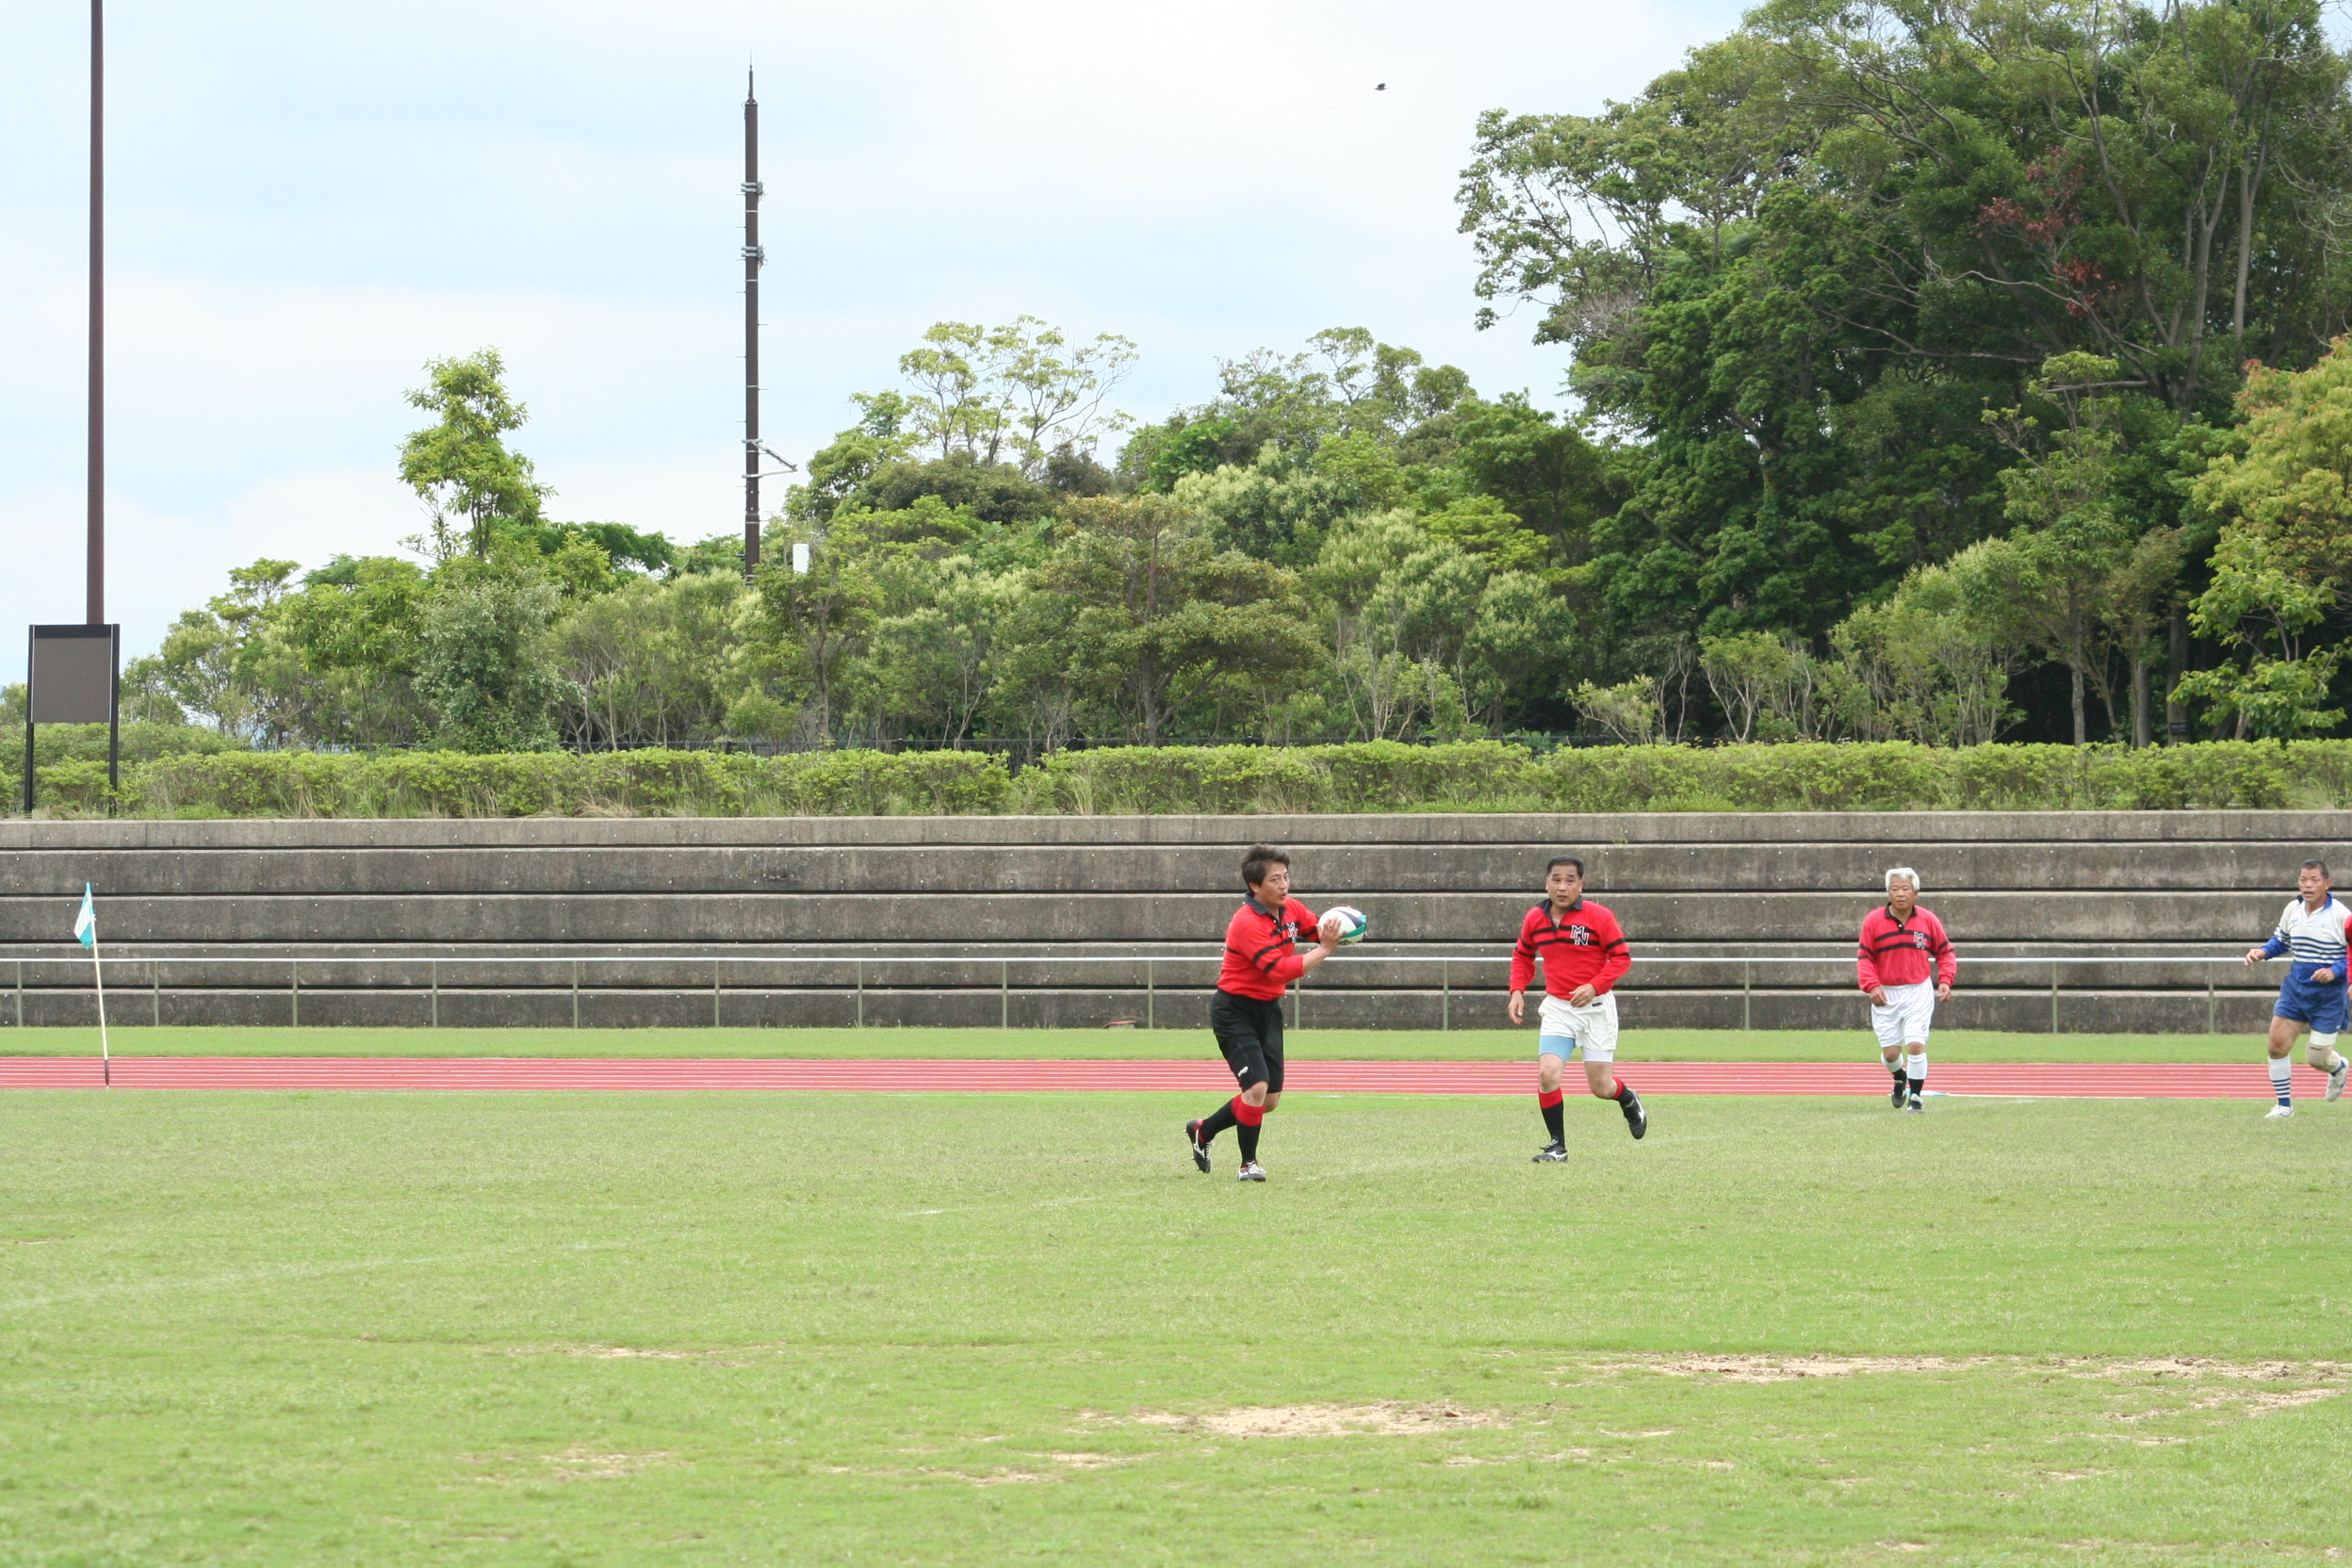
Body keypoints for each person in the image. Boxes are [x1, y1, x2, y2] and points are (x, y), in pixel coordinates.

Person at [1185, 844, 1341, 1181]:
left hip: (1268, 1011)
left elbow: (1318, 932)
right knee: (1255, 1088)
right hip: (1235, 1011)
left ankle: (1203, 1130)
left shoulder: (1292, 909)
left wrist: (1343, 929)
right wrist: (1326, 950)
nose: (1284, 884)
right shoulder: (1246, 923)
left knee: (1268, 1100)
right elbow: (1279, 970)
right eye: (1275, 879)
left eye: (1286, 877)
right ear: (1256, 886)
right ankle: (1248, 1164)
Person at [1509, 856, 1644, 1158]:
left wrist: (1595, 985)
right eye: (1556, 880)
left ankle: (1628, 1099)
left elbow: (1621, 958)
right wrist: (1517, 990)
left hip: (1596, 1009)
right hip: (1558, 1008)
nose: (1562, 886)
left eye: (1570, 881)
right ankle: (1558, 1146)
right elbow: (1523, 956)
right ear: (1547, 884)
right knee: (1548, 1073)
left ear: (1581, 886)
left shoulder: (1599, 917)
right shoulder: (1535, 918)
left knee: (1601, 1087)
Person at [2241, 858, 2352, 1119]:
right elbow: (2282, 940)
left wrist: (2335, 971)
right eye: (2303, 880)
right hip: (2296, 990)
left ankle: (2338, 1067)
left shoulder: (2343, 917)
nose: (2308, 885)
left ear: (2327, 884)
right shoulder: (2293, 909)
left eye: (2314, 880)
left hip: (2328, 998)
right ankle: (2284, 1106)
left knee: (2317, 1058)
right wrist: (2263, 952)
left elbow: (2351, 955)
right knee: (2276, 1046)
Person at [1856, 867, 1955, 1113]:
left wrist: (1945, 980)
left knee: (1915, 1045)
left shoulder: (1928, 920)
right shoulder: (1873, 921)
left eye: (1905, 889)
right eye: (1895, 889)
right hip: (1886, 993)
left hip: (1917, 990)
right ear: (1888, 893)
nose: (1900, 894)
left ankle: (1917, 1098)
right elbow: (1865, 958)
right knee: (1891, 1054)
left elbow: (1945, 952)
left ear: (1916, 893)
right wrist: (1872, 986)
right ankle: (1900, 1078)